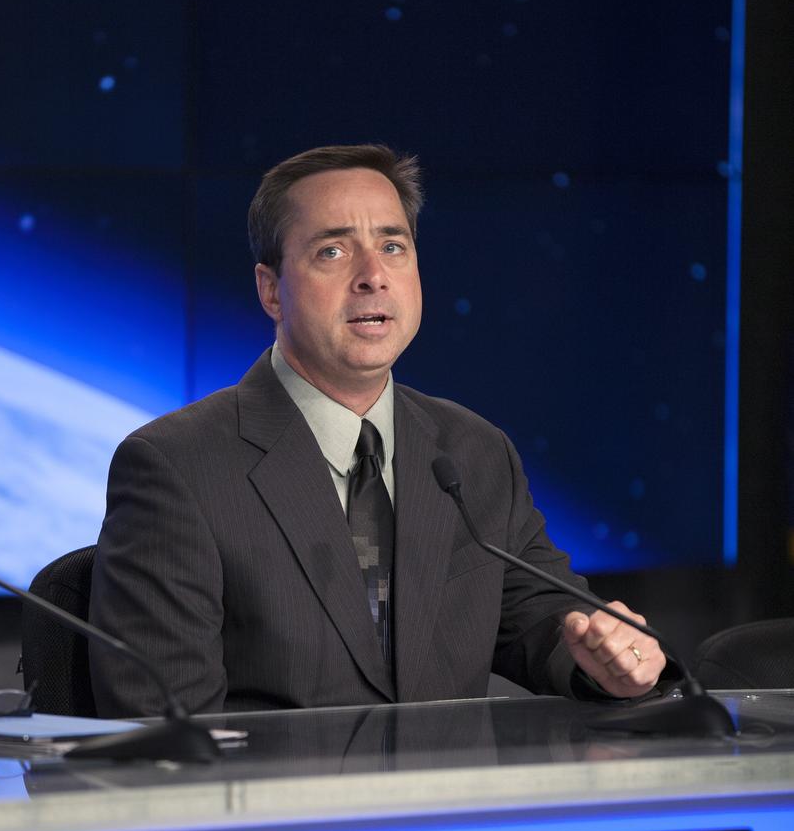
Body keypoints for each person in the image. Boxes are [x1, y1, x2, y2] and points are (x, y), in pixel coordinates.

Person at [89, 144, 667, 717]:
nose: (373, 277)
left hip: (450, 807)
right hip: (276, 807)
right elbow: (164, 726)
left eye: (393, 246)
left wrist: (605, 659)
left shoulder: (473, 450)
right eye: (333, 251)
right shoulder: (178, 466)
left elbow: (544, 619)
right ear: (271, 290)